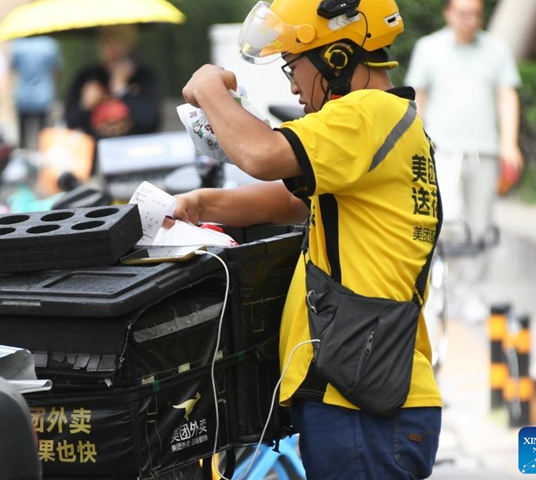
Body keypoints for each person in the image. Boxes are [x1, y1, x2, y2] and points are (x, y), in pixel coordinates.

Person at [171, 0, 442, 478]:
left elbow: (260, 153)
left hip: (360, 402)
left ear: (337, 58)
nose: (292, 84)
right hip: (371, 394)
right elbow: (296, 201)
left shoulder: (367, 112)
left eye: (293, 66)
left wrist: (210, 87)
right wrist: (204, 203)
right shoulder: (390, 123)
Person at [405, 0, 523, 323]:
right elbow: (420, 97)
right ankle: (446, 289)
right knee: (450, 222)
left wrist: (509, 142)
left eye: (474, 14)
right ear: (448, 13)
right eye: (462, 13)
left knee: (481, 227)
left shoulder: (496, 50)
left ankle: (471, 292)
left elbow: (506, 95)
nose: (469, 20)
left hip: (484, 149)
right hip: (443, 150)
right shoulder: (429, 48)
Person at [63, 24, 162, 139]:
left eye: (120, 40)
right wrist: (85, 105)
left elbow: (151, 121)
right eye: (107, 40)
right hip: (95, 151)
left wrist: (122, 90)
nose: (114, 48)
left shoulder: (144, 76)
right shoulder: (87, 76)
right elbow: (70, 123)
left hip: (135, 149)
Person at [11, 34, 63, 150]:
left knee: (23, 137)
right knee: (44, 136)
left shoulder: (18, 45)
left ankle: (24, 161)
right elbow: (56, 71)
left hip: (23, 95)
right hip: (43, 95)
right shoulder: (50, 45)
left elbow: (14, 69)